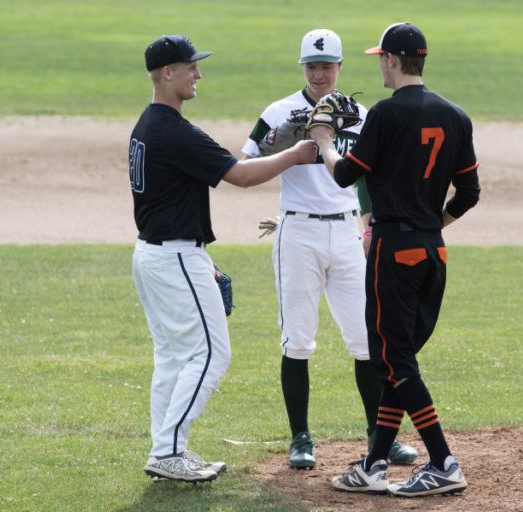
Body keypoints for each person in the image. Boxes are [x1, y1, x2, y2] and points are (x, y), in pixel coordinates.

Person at [130, 34, 317, 483]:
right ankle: (169, 450)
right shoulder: (174, 132)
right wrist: (296, 154)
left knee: (173, 357)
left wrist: (201, 258)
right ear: (167, 73)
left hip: (157, 253)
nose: (198, 73)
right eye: (190, 66)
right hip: (173, 257)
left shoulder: (147, 125)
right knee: (212, 353)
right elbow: (241, 175)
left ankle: (166, 448)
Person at [309, 23, 480, 496]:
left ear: (391, 60)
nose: (378, 64)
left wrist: (324, 139)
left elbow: (345, 174)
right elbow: (469, 193)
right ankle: (375, 464)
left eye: (379, 57)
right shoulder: (456, 115)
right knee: (394, 360)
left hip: (391, 252)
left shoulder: (384, 114)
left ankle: (443, 461)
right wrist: (429, 226)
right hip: (432, 252)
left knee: (396, 361)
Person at [241, 28, 417, 469]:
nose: (319, 74)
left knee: (366, 339)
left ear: (340, 68)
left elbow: (368, 178)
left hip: (345, 234)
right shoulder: (278, 111)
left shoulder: (360, 114)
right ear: (302, 67)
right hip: (297, 232)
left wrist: (369, 225)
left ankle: (381, 436)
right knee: (298, 339)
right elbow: (242, 165)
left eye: (327, 66)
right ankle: (301, 438)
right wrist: (283, 140)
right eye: (312, 66)